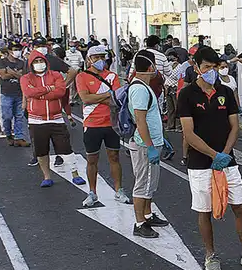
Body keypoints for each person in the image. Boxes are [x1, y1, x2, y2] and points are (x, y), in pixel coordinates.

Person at [177, 46, 242, 270]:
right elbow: (189, 133)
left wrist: (225, 154)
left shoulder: (225, 91)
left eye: (214, 67)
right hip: (200, 163)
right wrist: (213, 155)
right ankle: (210, 254)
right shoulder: (186, 95)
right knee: (204, 210)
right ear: (196, 67)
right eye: (206, 67)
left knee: (240, 208)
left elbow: (235, 126)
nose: (211, 71)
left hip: (228, 161)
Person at [76, 45, 130, 208]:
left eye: (102, 57)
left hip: (111, 123)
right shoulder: (82, 77)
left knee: (114, 157)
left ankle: (118, 190)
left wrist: (98, 97)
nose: (100, 60)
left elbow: (116, 99)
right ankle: (92, 192)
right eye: (96, 57)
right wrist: (106, 95)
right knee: (92, 159)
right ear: (89, 59)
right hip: (91, 123)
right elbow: (85, 98)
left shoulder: (112, 76)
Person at [21, 50, 85, 188]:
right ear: (31, 64)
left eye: (41, 61)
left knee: (66, 148)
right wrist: (49, 89)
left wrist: (40, 93)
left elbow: (60, 92)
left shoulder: (56, 75)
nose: (39, 64)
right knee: (41, 150)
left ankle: (75, 174)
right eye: (36, 62)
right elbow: (28, 92)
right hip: (36, 120)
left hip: (56, 119)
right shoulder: (26, 78)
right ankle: (47, 176)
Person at [128, 50, 169, 237]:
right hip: (145, 145)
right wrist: (151, 145)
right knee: (143, 184)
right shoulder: (139, 89)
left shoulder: (144, 86)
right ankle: (139, 223)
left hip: (151, 141)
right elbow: (140, 119)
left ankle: (147, 214)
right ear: (152, 67)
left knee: (150, 183)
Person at [0, 43, 30, 147]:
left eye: (19, 50)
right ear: (10, 51)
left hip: (19, 93)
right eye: (15, 49)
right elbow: (3, 76)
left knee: (19, 116)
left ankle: (19, 137)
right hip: (6, 93)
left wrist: (11, 72)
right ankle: (8, 134)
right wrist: (17, 73)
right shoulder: (2, 62)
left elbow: (24, 77)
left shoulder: (22, 63)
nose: (18, 52)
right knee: (7, 116)